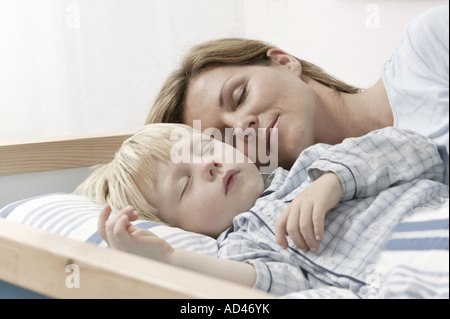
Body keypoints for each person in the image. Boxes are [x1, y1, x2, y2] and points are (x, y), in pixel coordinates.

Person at [76, 123, 448, 295]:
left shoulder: (312, 165)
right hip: (412, 274)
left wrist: (331, 181)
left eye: (206, 149)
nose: (209, 166)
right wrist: (170, 260)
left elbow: (417, 151)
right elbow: (279, 287)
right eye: (185, 183)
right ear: (181, 227)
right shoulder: (240, 247)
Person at [146, 6, 449, 185]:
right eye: (225, 139)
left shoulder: (430, 49)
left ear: (283, 62)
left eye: (240, 96)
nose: (242, 127)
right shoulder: (317, 214)